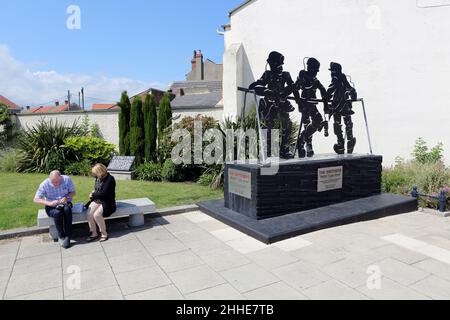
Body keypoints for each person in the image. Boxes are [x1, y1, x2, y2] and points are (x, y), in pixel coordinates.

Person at [248, 51, 300, 159]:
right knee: (268, 127)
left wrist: (298, 100)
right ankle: (266, 150)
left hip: (281, 102)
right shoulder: (268, 74)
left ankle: (284, 150)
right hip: (270, 103)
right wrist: (267, 91)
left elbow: (293, 87)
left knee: (287, 125)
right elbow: (256, 85)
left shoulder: (285, 75)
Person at [294, 58, 329, 158]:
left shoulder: (315, 80)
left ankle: (302, 140)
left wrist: (326, 104)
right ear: (309, 67)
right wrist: (299, 102)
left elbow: (323, 89)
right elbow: (295, 87)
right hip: (305, 105)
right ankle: (306, 145)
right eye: (315, 70)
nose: (316, 73)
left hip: (312, 105)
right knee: (306, 123)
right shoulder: (303, 75)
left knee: (317, 121)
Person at [34, 171, 76, 249]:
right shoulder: (45, 184)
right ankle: (61, 236)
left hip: (65, 202)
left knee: (67, 209)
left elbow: (73, 192)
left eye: (57, 182)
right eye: (53, 182)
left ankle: (68, 235)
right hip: (51, 205)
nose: (55, 184)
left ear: (61, 177)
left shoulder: (66, 179)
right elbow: (36, 199)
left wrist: (66, 197)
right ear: (49, 179)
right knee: (57, 213)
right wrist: (49, 203)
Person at [326, 62, 358, 155]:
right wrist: (353, 93)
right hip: (343, 105)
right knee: (345, 123)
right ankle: (349, 142)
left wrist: (325, 97)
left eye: (332, 71)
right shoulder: (342, 77)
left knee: (338, 124)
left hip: (338, 105)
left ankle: (342, 144)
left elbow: (331, 88)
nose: (331, 73)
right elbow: (349, 88)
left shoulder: (336, 78)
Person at [86, 164, 116, 243]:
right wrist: (93, 192)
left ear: (100, 171)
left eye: (95, 173)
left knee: (97, 215)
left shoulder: (110, 179)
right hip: (98, 199)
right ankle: (94, 233)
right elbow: (97, 190)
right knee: (89, 213)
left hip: (108, 201)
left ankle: (104, 234)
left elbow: (104, 193)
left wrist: (93, 194)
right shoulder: (98, 178)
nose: (94, 175)